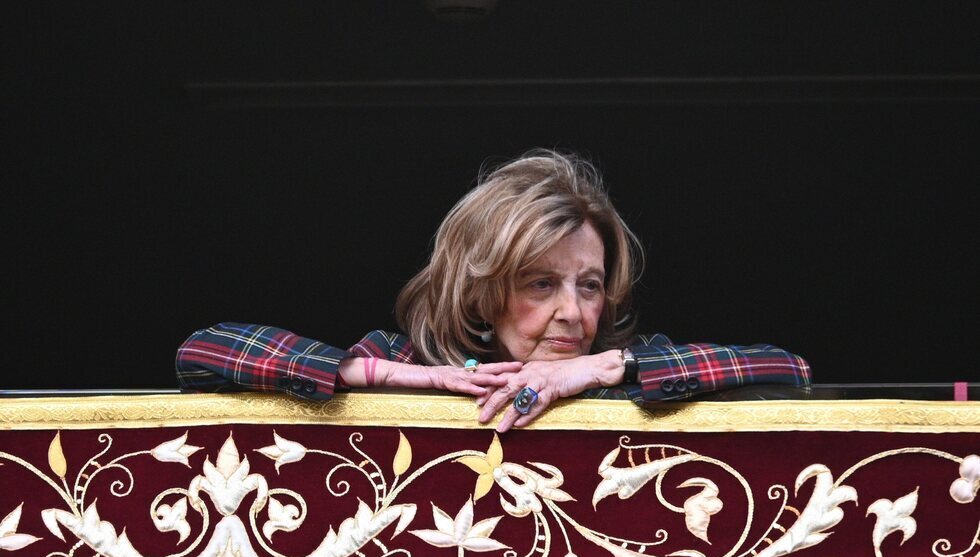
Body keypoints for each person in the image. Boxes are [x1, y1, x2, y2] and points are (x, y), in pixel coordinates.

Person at [176, 150, 810, 432]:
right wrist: (379, 378)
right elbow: (201, 352)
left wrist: (606, 368)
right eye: (540, 283)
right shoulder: (402, 361)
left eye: (589, 286)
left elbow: (790, 371)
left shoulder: (633, 366)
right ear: (481, 293)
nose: (573, 312)